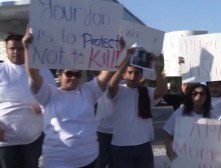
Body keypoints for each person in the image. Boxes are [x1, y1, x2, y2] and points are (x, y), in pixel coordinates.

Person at [22, 30, 115, 167]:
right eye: (69, 73)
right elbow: (33, 75)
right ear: (60, 75)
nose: (73, 77)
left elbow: (106, 74)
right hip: (58, 161)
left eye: (77, 75)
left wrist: (118, 49)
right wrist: (27, 48)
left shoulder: (88, 91)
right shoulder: (48, 94)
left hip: (89, 159)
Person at [0, 34, 56, 168]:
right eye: (12, 48)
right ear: (6, 49)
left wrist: (42, 107)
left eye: (20, 48)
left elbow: (53, 98)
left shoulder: (42, 71)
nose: (16, 52)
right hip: (5, 140)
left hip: (34, 137)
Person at [107, 48, 167, 168]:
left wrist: (156, 66)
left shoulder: (146, 92)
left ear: (140, 76)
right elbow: (111, 85)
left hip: (143, 144)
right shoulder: (119, 91)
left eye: (136, 73)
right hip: (121, 146)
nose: (133, 76)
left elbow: (162, 90)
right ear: (124, 75)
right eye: (130, 72)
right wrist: (127, 59)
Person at [162, 83, 211, 161]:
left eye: (202, 94)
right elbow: (166, 131)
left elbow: (216, 137)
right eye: (194, 93)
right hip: (184, 157)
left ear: (207, 96)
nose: (198, 96)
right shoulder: (181, 112)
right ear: (190, 96)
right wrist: (168, 148)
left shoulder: (212, 114)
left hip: (204, 158)